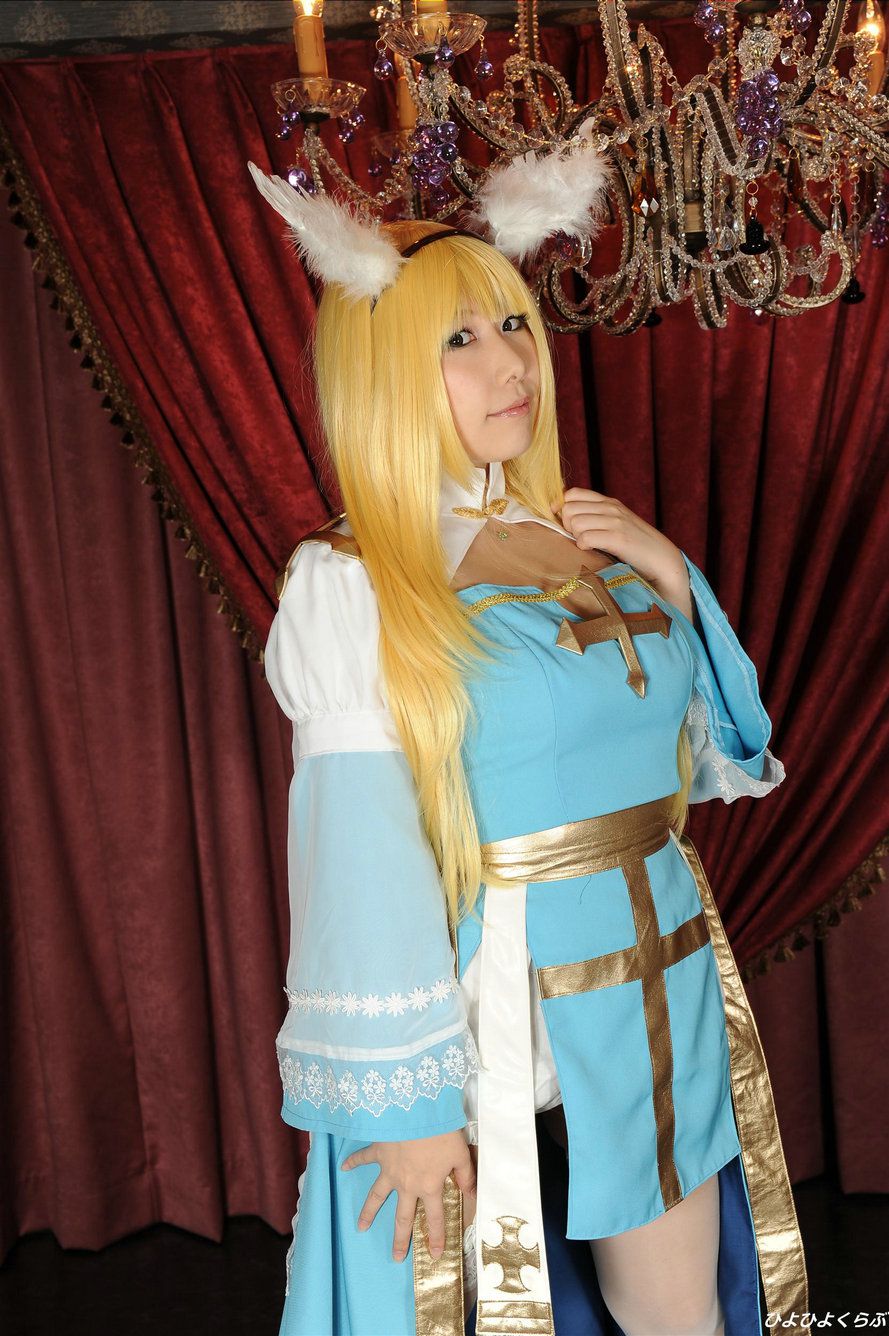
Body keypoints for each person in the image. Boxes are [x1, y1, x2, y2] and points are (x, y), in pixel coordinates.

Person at [256, 181, 809, 1334]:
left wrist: (668, 574)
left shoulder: (579, 537)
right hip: (492, 1000)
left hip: (659, 972)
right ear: (384, 372)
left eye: (512, 322)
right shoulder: (350, 582)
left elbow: (710, 754)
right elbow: (358, 848)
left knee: (684, 1317)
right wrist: (408, 1106)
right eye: (458, 339)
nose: (511, 361)